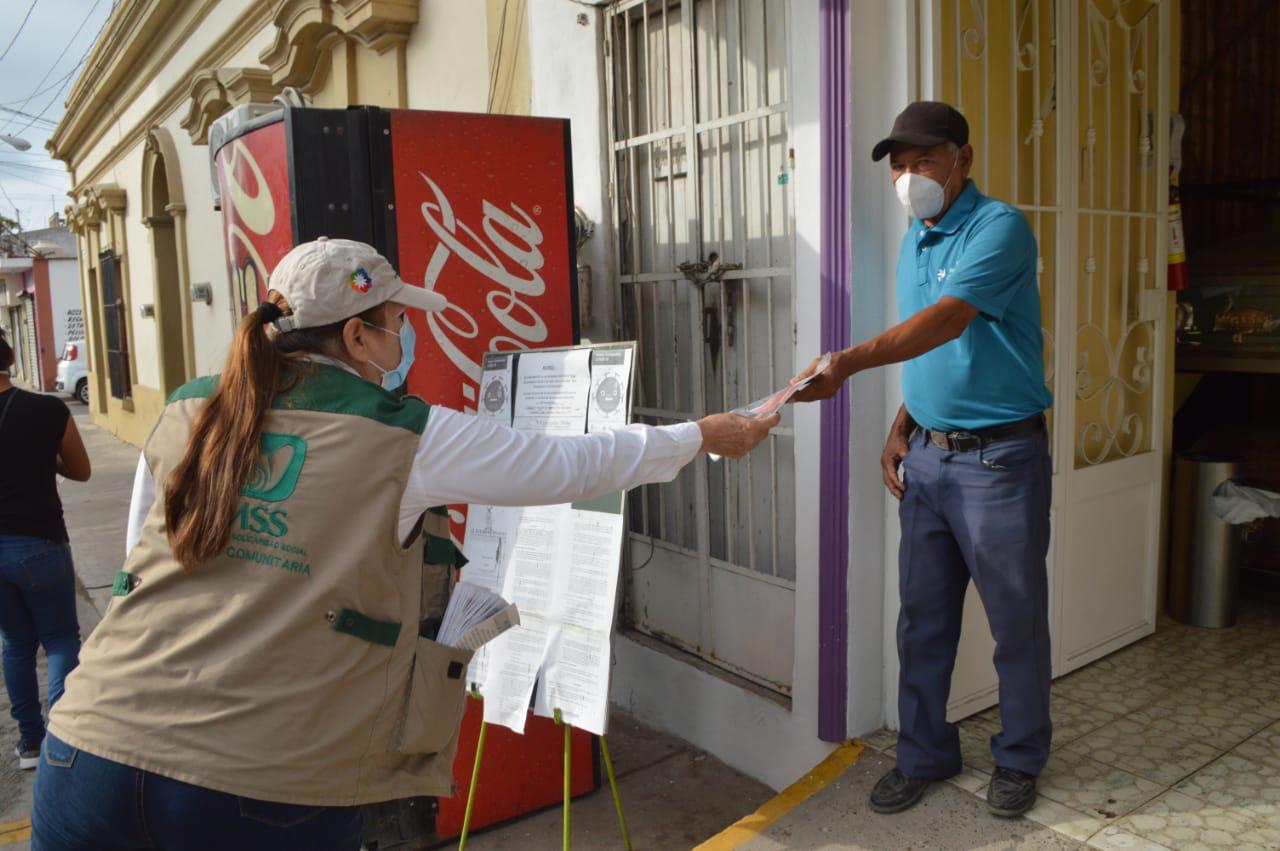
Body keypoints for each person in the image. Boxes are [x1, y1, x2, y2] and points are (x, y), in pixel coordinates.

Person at [32, 237, 778, 851]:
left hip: (86, 750)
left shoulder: (191, 407)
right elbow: (568, 464)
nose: (402, 335)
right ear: (358, 335)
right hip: (258, 787)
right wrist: (701, 435)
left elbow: (141, 564)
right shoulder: (404, 433)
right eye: (394, 320)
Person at [794, 101, 1053, 818]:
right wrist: (903, 422)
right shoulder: (915, 238)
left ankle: (1020, 756)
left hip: (1000, 462)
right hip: (930, 462)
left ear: (962, 158)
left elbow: (947, 320)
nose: (910, 178)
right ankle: (924, 753)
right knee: (923, 621)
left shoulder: (998, 227)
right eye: (900, 166)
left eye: (925, 161)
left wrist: (846, 363)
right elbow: (931, 349)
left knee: (1015, 622)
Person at [0, 328, 90, 771]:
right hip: (41, 543)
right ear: (10, 358)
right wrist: (42, 461)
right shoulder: (47, 410)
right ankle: (63, 741)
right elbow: (81, 470)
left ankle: (31, 743)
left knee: (15, 643)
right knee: (59, 639)